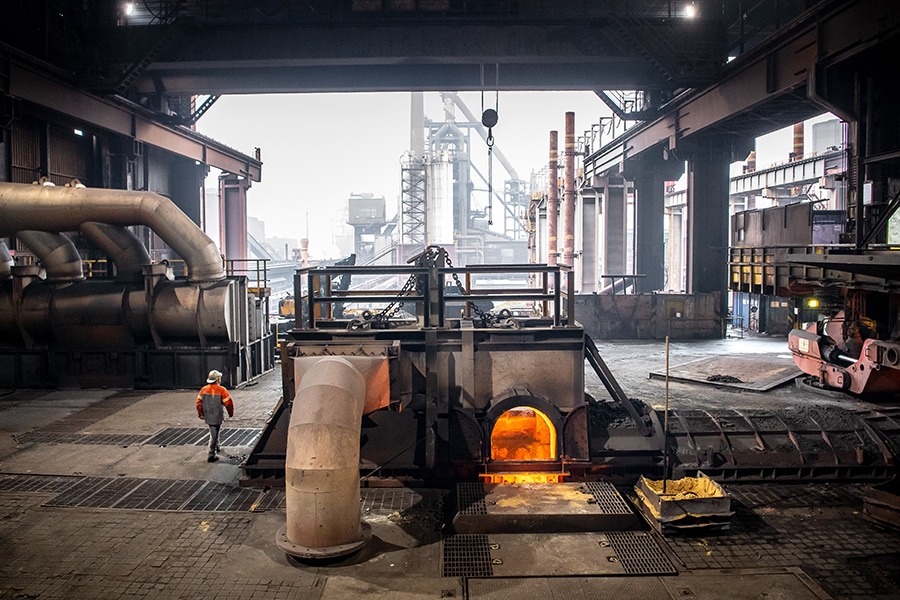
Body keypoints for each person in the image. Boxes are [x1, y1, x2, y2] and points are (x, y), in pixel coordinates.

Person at [196, 370, 234, 462]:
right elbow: (228, 403)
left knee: (214, 431)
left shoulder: (203, 389)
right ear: (217, 379)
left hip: (208, 415)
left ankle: (217, 446)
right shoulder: (222, 390)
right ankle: (211, 454)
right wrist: (230, 413)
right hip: (217, 416)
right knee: (214, 435)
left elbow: (198, 403)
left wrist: (200, 414)